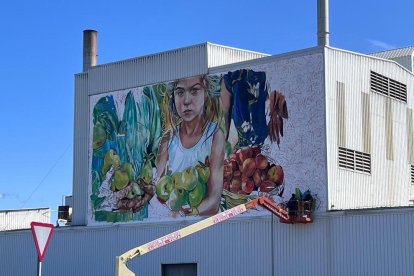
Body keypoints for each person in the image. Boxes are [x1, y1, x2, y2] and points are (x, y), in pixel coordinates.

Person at [155, 75, 225, 216]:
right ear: (173, 96)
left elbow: (214, 199)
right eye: (180, 92)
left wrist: (192, 212)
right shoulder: (167, 140)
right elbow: (158, 193)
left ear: (206, 93)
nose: (186, 101)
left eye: (194, 91)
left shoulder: (214, 136)